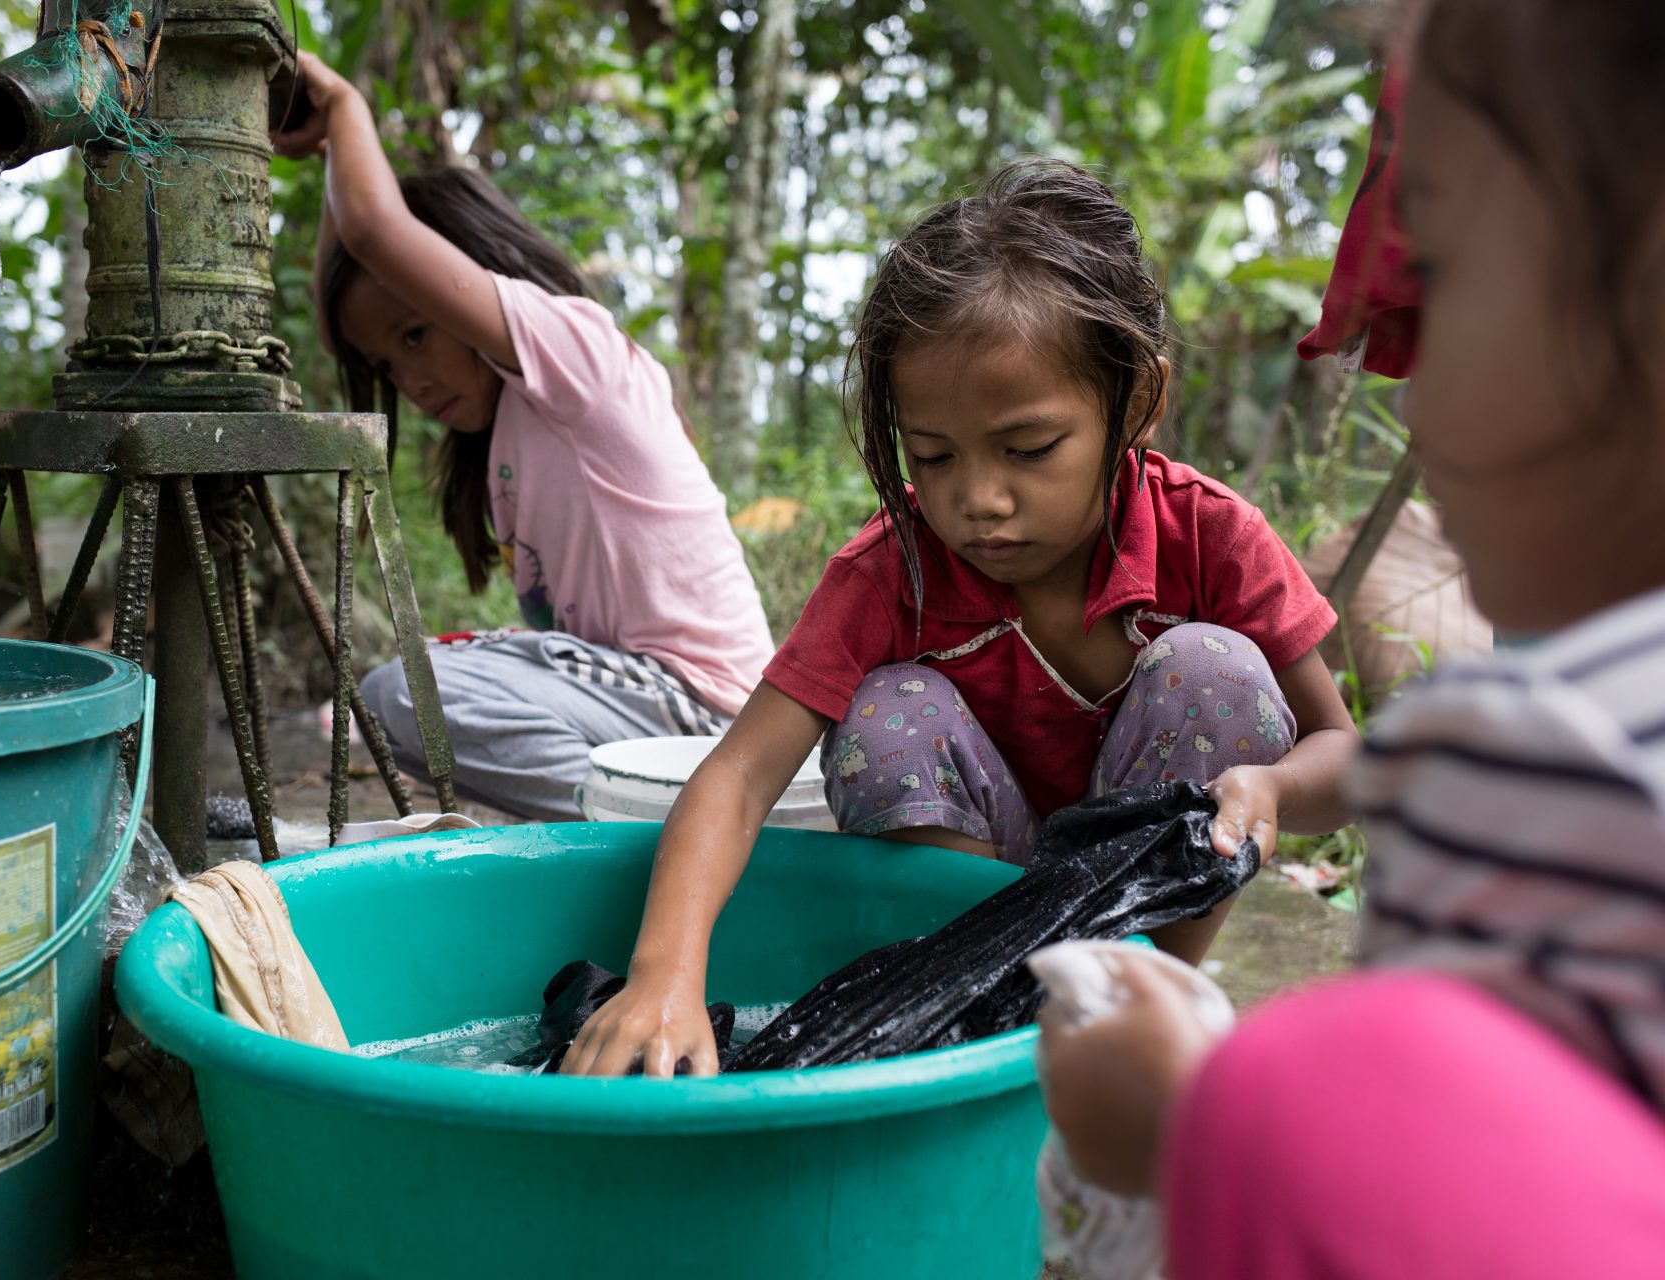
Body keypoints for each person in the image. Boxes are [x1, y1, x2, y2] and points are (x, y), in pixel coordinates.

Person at [1035, 3, 1665, 1275]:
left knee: (1323, 1075)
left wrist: (1191, 1127)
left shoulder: (1539, 755)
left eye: (1444, 275)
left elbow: (1336, 749)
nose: (1411, 380)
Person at [562, 160, 1360, 1078]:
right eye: (933, 456)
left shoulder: (1210, 537)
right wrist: (663, 978)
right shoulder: (890, 567)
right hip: (969, 927)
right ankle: (980, 1017)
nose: (978, 500)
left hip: (1143, 909)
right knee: (893, 707)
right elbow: (738, 778)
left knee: (1214, 672)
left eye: (1029, 449)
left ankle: (1142, 1013)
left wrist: (1271, 793)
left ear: (1136, 401)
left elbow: (1342, 756)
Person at [271, 54, 774, 821]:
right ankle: (641, 828)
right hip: (651, 710)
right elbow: (347, 326)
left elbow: (377, 236)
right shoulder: (507, 429)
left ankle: (651, 838)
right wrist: (339, 160)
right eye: (387, 362)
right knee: (403, 685)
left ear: (476, 277)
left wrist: (344, 107)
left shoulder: (578, 357)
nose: (409, 378)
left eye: (416, 336)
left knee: (404, 687)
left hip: (712, 713)